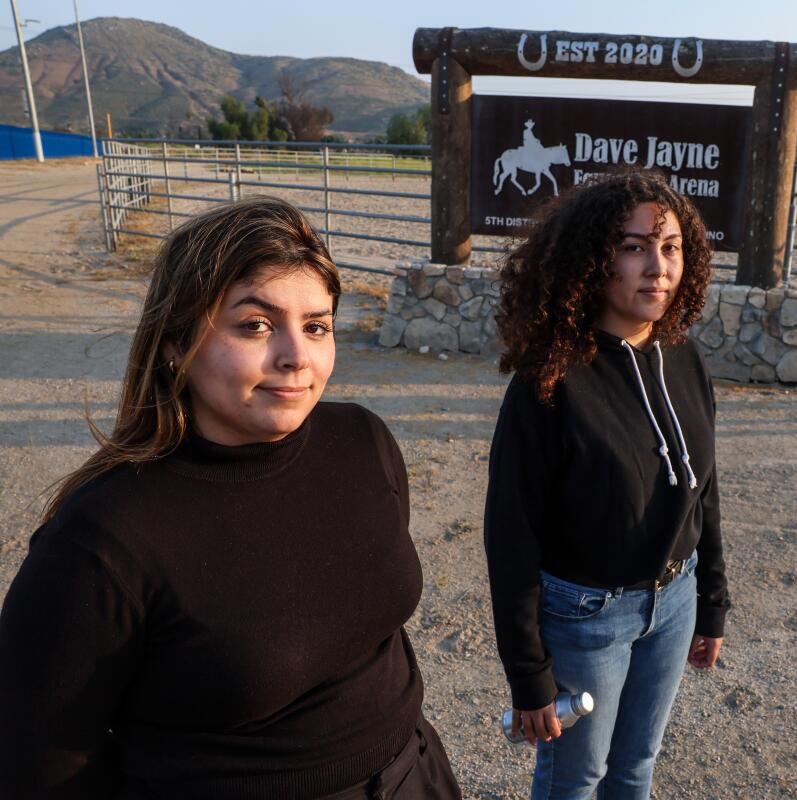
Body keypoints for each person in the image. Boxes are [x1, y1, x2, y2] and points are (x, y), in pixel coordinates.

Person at [0, 197, 460, 800]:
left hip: (415, 776)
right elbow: (38, 763)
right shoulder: (103, 539)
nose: (298, 356)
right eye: (256, 325)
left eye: (317, 325)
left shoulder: (362, 440)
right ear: (174, 343)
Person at [484, 171, 730, 800]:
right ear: (594, 259)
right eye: (634, 247)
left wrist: (710, 600)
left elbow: (702, 486)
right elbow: (510, 536)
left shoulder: (684, 356)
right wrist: (529, 674)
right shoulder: (549, 380)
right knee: (576, 776)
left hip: (672, 604)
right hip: (585, 617)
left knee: (635, 767)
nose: (658, 266)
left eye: (671, 247)